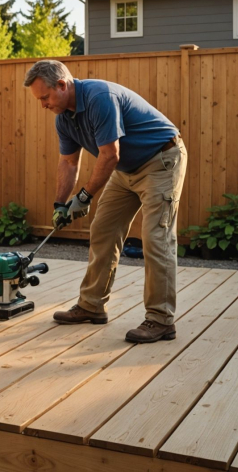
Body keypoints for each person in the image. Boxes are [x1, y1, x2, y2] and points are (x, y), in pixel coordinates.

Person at [24, 60, 187, 344]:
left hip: (161, 160)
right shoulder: (63, 118)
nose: (43, 105)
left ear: (62, 85)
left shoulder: (99, 98)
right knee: (103, 230)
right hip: (125, 170)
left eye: (45, 98)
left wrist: (85, 196)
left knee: (155, 237)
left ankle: (161, 321)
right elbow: (68, 162)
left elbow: (109, 154)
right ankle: (91, 305)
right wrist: (60, 205)